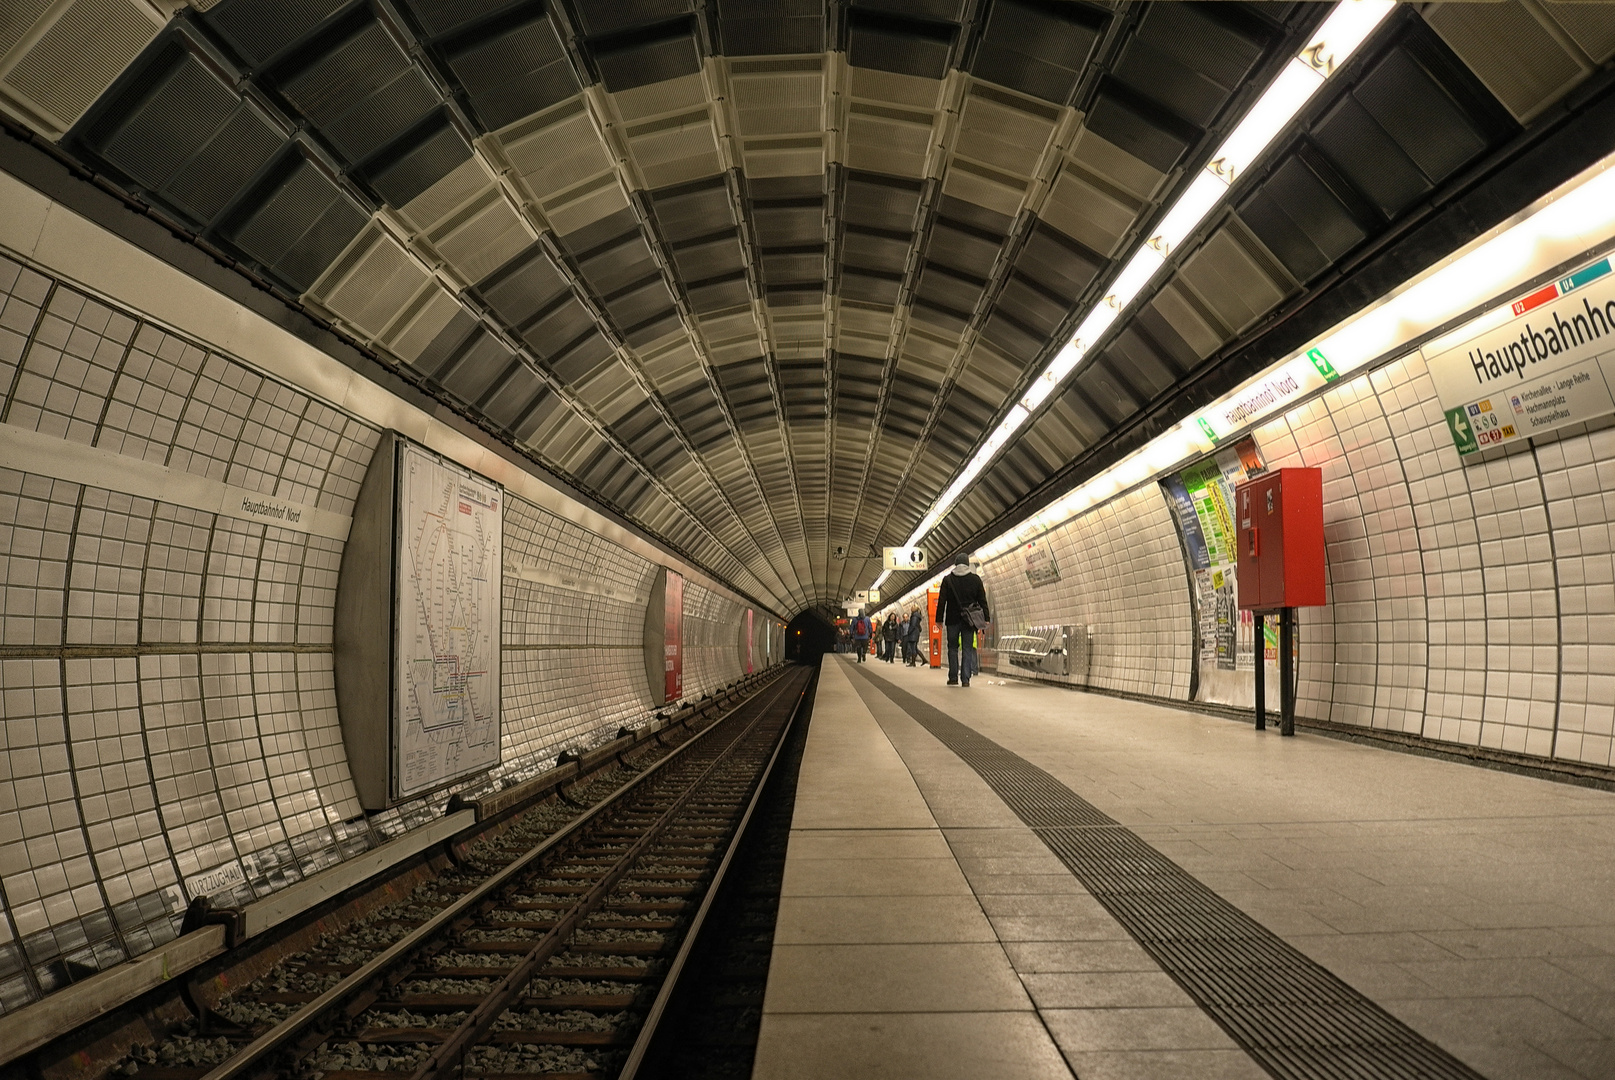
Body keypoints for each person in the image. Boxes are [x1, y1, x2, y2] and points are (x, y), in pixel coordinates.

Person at [934, 553, 989, 687]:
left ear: (956, 564)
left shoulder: (948, 580)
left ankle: (953, 677)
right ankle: (965, 679)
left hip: (952, 619)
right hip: (969, 620)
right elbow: (982, 600)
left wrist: (939, 619)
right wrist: (986, 618)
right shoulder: (975, 579)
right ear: (967, 563)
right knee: (967, 648)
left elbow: (942, 601)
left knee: (952, 647)